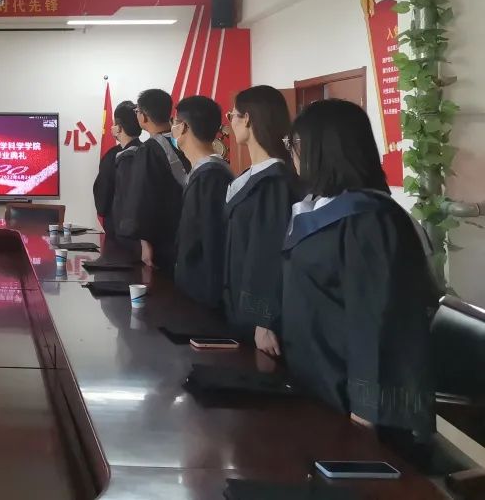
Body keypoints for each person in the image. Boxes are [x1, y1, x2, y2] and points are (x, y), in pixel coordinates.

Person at [282, 99, 437, 439]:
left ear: (323, 148)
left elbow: (377, 320)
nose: (291, 151)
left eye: (294, 142)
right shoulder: (324, 207)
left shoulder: (370, 220)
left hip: (353, 406)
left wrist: (367, 411)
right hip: (320, 380)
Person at [224, 85, 299, 357]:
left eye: (232, 115)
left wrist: (263, 320)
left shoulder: (275, 181)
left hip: (260, 324)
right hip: (238, 303)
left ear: (247, 119)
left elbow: (268, 252)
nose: (230, 122)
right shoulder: (252, 174)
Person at [113, 89, 190, 270]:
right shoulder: (182, 142)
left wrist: (144, 241)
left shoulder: (149, 150)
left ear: (144, 116)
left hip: (160, 239)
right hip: (182, 230)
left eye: (137, 111)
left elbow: (141, 196)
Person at [172, 95, 234, 309]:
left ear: (183, 127)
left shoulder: (211, 177)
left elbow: (211, 241)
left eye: (174, 122)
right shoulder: (201, 172)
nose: (172, 128)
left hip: (202, 297)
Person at [93, 101, 141, 230]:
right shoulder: (148, 152)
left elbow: (102, 201)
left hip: (117, 228)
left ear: (119, 128)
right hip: (143, 230)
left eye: (114, 123)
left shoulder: (111, 157)